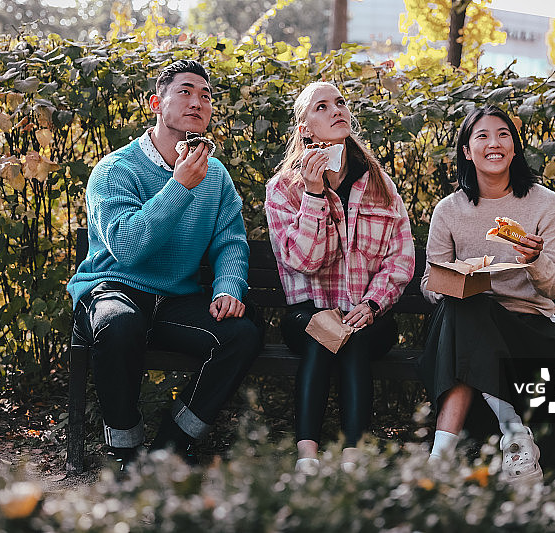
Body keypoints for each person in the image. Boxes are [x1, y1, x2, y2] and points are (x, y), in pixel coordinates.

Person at [67, 59, 260, 469]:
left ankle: (170, 446)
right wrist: (178, 187)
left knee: (242, 334)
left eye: (205, 96)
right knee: (118, 324)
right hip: (113, 289)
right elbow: (128, 246)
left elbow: (230, 240)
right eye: (186, 92)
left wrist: (228, 286)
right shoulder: (115, 170)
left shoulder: (216, 176)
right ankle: (126, 450)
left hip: (174, 300)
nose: (198, 102)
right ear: (156, 103)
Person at [418, 105, 555, 484]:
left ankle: (439, 459)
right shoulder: (449, 210)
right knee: (466, 306)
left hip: (530, 326)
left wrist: (534, 260)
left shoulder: (543, 203)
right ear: (466, 150)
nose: (494, 143)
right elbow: (429, 285)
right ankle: (516, 437)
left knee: (466, 316)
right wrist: (456, 282)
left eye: (503, 134)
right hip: (467, 325)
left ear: (514, 146)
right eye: (483, 136)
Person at [265, 81, 415, 473]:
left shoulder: (380, 185)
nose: (336, 110)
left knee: (353, 336)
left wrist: (372, 303)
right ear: (305, 130)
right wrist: (314, 197)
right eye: (322, 106)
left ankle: (352, 458)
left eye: (340, 103)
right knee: (322, 332)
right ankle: (308, 459)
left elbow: (401, 258)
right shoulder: (284, 189)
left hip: (368, 314)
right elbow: (304, 260)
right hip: (307, 313)